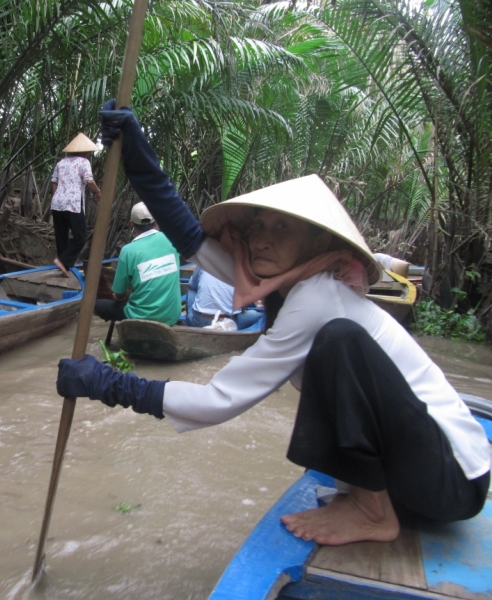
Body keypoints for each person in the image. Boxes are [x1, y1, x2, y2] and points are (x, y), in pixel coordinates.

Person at [56, 101, 489, 547]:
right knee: (336, 345)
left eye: (283, 228)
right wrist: (137, 154)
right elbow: (189, 236)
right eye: (259, 226)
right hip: (417, 472)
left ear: (318, 243)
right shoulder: (279, 279)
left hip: (453, 480)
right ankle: (366, 497)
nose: (262, 239)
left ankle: (371, 511)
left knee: (339, 341)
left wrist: (108, 384)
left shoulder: (318, 295)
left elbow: (217, 400)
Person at [93, 202, 182, 326]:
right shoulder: (172, 239)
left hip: (141, 317)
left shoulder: (128, 251)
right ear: (155, 222)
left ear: (131, 224)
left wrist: (118, 296)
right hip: (172, 315)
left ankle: (128, 331)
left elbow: (119, 294)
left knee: (97, 305)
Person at [50, 133, 102, 277]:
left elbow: (54, 182)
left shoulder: (61, 162)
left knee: (62, 237)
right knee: (81, 236)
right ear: (86, 151)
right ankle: (62, 261)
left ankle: (63, 268)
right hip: (73, 203)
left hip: (57, 203)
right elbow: (89, 181)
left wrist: (57, 197)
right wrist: (98, 192)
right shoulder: (83, 162)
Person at [186, 266, 263, 329]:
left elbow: (193, 285)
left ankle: (190, 320)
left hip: (200, 320)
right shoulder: (242, 268)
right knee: (255, 314)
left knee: (192, 290)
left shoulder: (203, 263)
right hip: (229, 322)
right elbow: (242, 307)